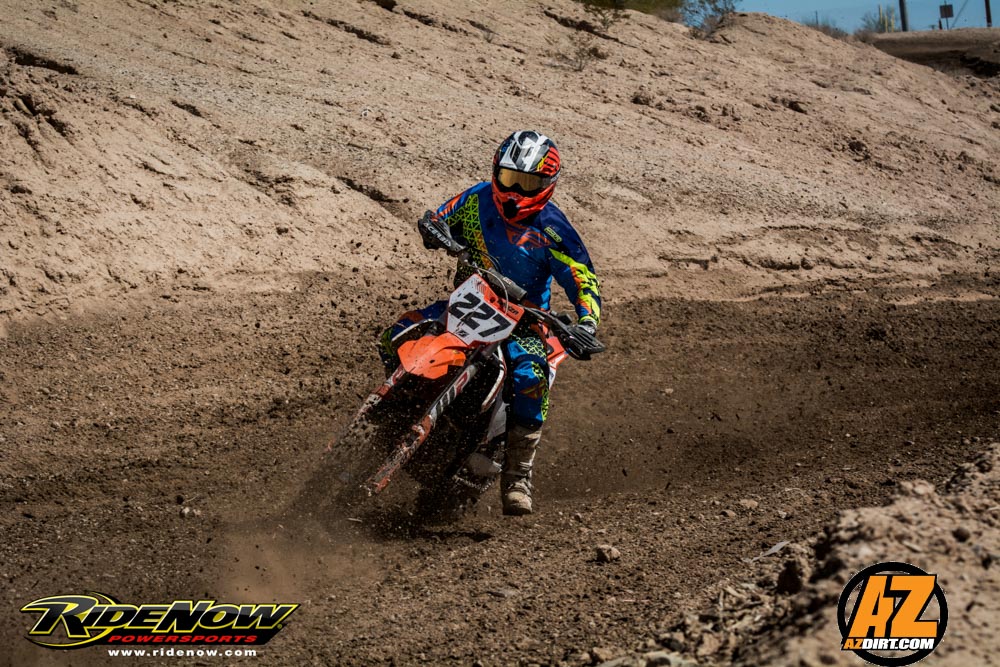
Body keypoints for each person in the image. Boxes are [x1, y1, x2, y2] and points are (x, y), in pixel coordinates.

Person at [378, 130, 602, 515]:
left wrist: (587, 323)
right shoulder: (478, 198)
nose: (514, 192)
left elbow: (584, 279)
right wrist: (433, 228)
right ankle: (397, 405)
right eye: (509, 179)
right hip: (470, 301)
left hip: (524, 322)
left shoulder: (554, 230)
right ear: (496, 172)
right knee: (397, 333)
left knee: (530, 379)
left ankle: (517, 474)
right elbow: (442, 217)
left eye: (526, 183)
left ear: (547, 185)